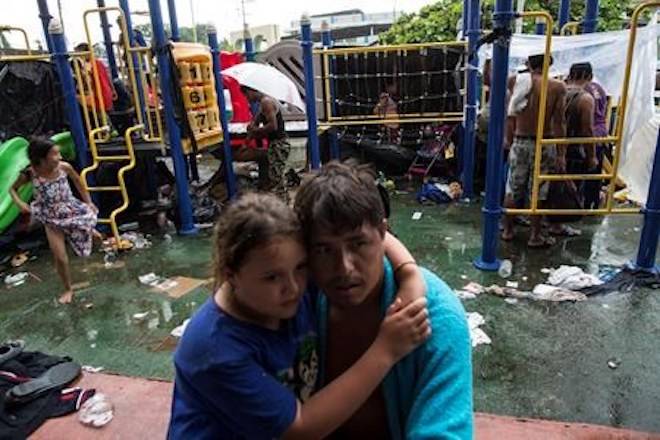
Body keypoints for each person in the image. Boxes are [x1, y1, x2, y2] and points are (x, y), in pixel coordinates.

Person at [168, 192, 431, 439]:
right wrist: (385, 350)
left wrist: (409, 272)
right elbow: (301, 429)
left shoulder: (292, 286)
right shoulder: (213, 349)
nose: (293, 288)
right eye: (272, 278)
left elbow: (366, 232)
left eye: (301, 267)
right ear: (230, 274)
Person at [294, 161, 473, 439]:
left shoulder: (436, 316)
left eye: (358, 244)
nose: (344, 268)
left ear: (382, 233)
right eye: (324, 249)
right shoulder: (295, 299)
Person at [9, 138, 99, 304]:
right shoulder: (31, 173)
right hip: (50, 218)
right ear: (41, 158)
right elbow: (12, 189)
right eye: (55, 154)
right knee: (60, 257)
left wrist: (89, 201)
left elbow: (79, 182)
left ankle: (90, 231)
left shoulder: (64, 167)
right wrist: (21, 204)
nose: (59, 157)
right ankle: (67, 288)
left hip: (70, 210)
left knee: (93, 231)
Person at [502, 54, 567, 248]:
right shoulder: (556, 87)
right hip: (543, 142)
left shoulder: (514, 81)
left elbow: (510, 115)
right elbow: (559, 121)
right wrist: (561, 152)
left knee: (512, 187)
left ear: (528, 63)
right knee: (539, 190)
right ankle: (535, 235)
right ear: (549, 64)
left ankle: (507, 230)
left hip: (520, 140)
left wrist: (509, 139)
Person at [574, 62, 609, 209]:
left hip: (588, 134)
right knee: (595, 172)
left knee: (582, 170)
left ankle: (579, 204)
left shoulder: (582, 91)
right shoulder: (599, 88)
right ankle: (592, 203)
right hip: (601, 132)